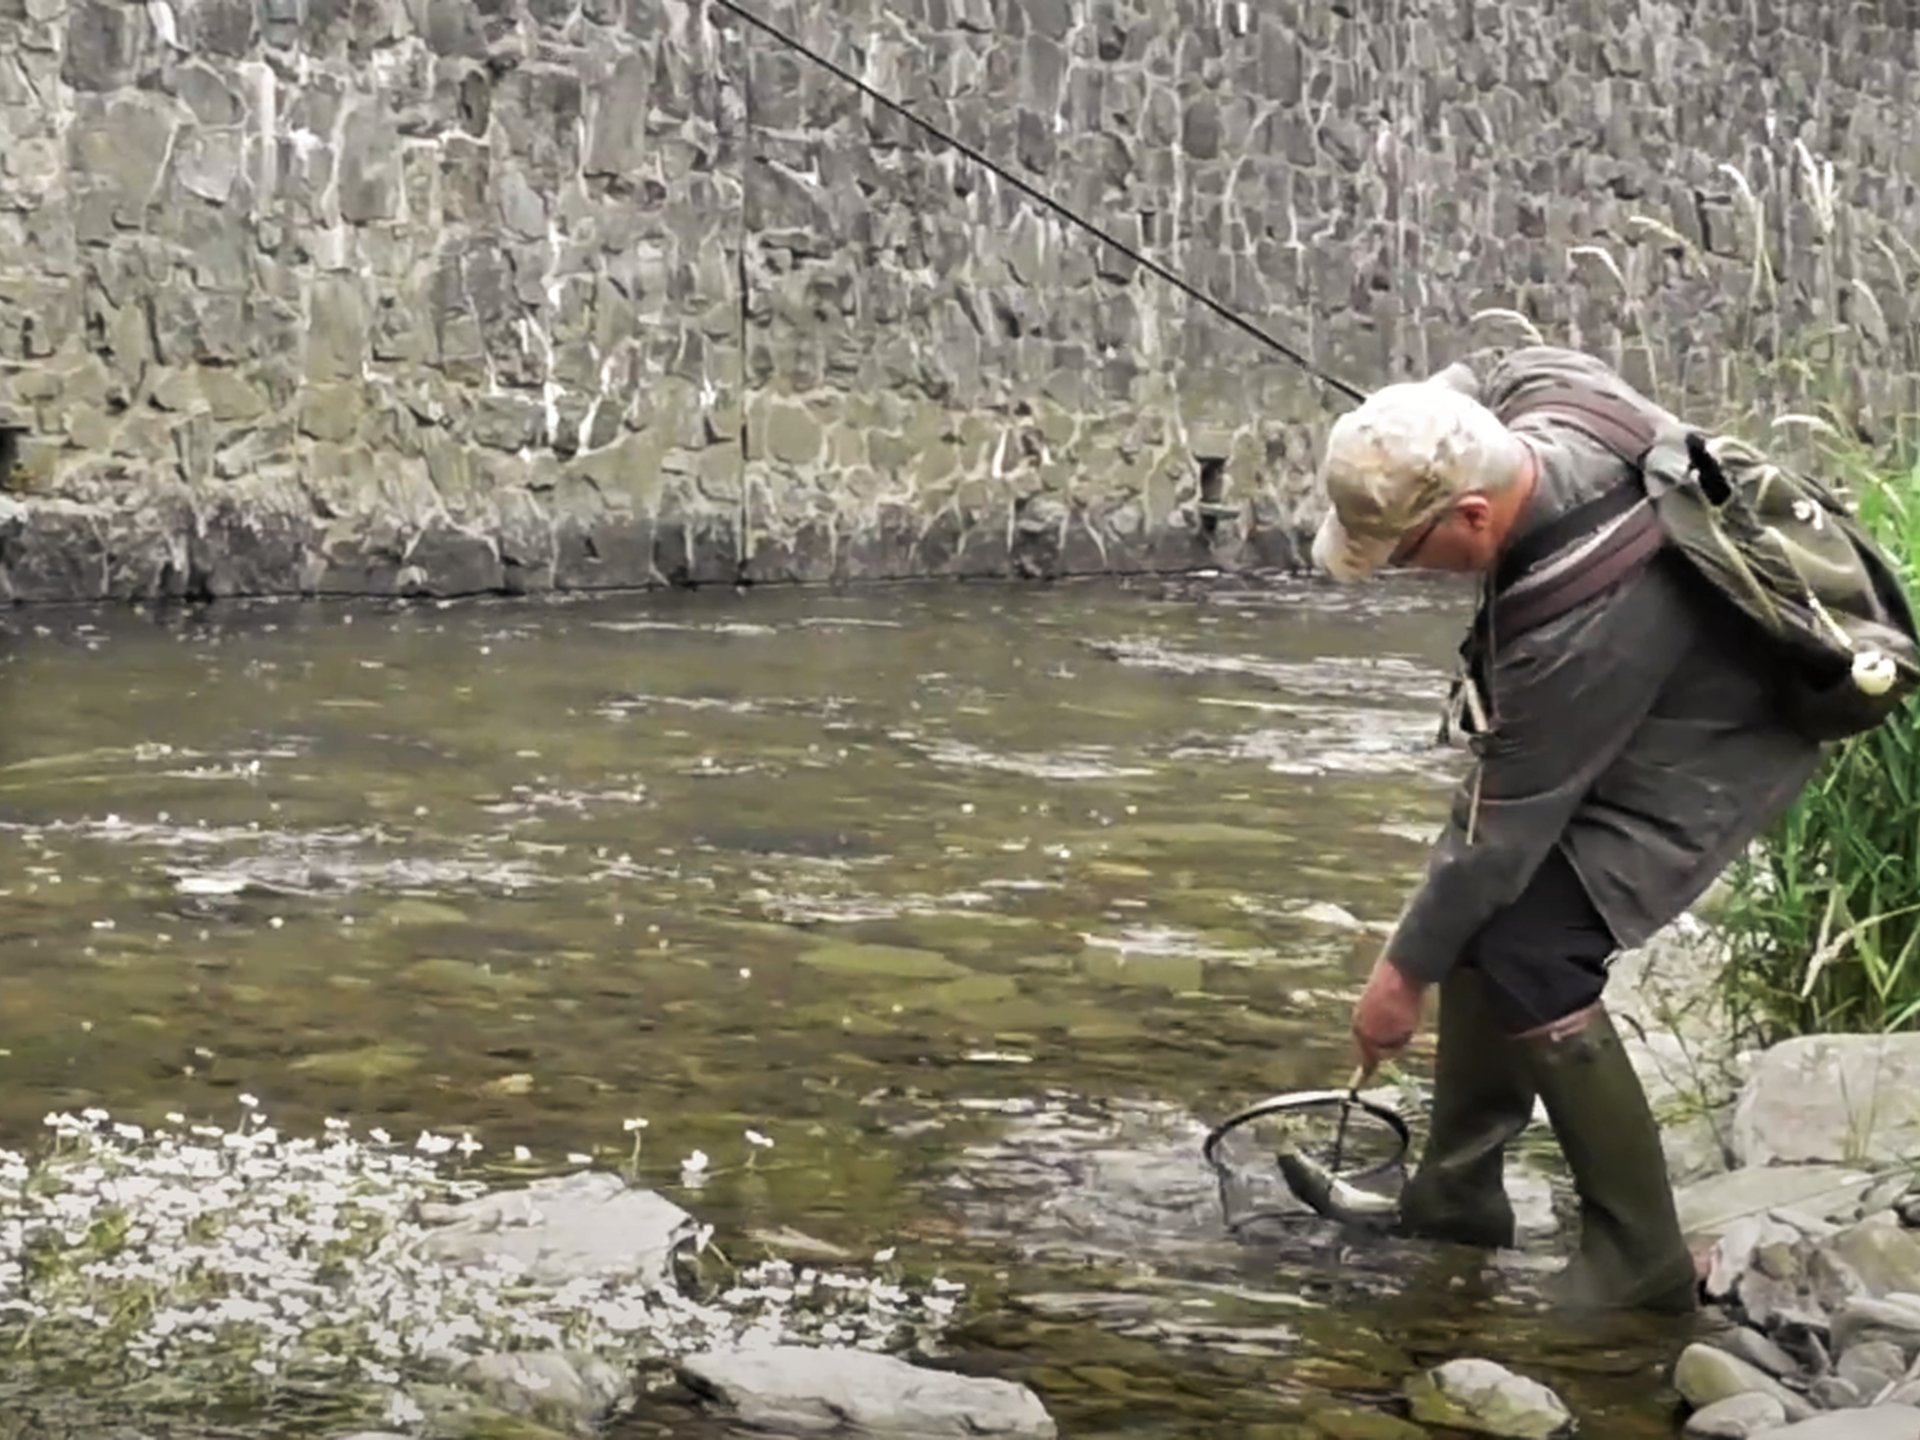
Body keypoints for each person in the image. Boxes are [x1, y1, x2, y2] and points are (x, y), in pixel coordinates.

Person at [1304, 344, 1826, 1314]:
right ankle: (1454, 1200)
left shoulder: (1570, 634)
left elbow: (1495, 841)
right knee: (1480, 920)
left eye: (1409, 556)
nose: (1408, 576)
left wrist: (1395, 981)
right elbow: (1488, 357)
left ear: (1471, 516)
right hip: (1657, 680)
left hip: (1725, 732)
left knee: (1537, 947)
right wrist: (1409, 418)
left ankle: (1641, 1260)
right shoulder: (1543, 392)